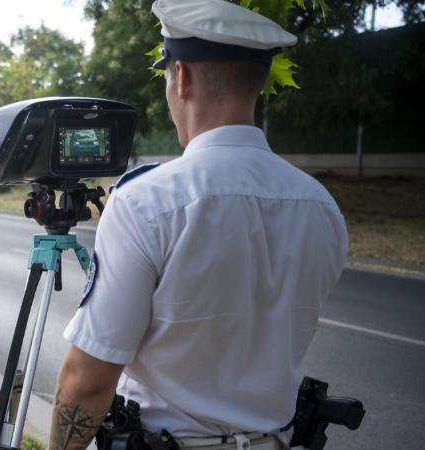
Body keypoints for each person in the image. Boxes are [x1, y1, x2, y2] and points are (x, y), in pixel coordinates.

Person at [48, 0, 349, 449]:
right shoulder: (321, 205)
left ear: (182, 77)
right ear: (258, 82)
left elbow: (87, 382)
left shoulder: (145, 202)